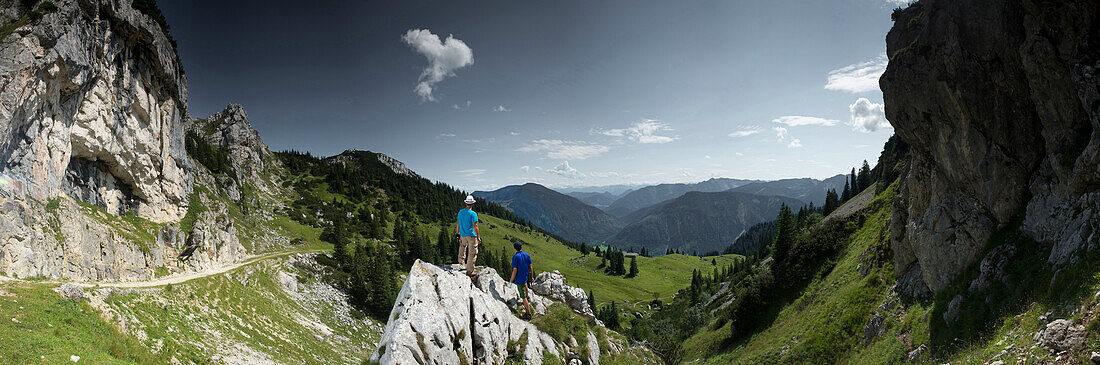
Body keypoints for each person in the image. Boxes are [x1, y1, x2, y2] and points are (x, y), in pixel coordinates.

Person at [509, 241, 535, 319]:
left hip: (519, 278)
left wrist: (511, 281)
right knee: (525, 284)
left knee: (522, 296)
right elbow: (530, 267)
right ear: (521, 247)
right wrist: (532, 276)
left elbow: (515, 270)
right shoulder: (527, 255)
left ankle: (528, 313)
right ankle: (527, 297)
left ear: (515, 248)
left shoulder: (515, 257)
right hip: (525, 276)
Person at [456, 195, 480, 276]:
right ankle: (470, 271)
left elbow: (458, 223)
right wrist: (478, 237)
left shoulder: (461, 212)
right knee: (472, 253)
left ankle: (461, 264)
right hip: (471, 235)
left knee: (462, 247)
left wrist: (457, 232)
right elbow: (475, 226)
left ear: (466, 203)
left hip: (462, 234)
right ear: (472, 204)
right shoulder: (473, 214)